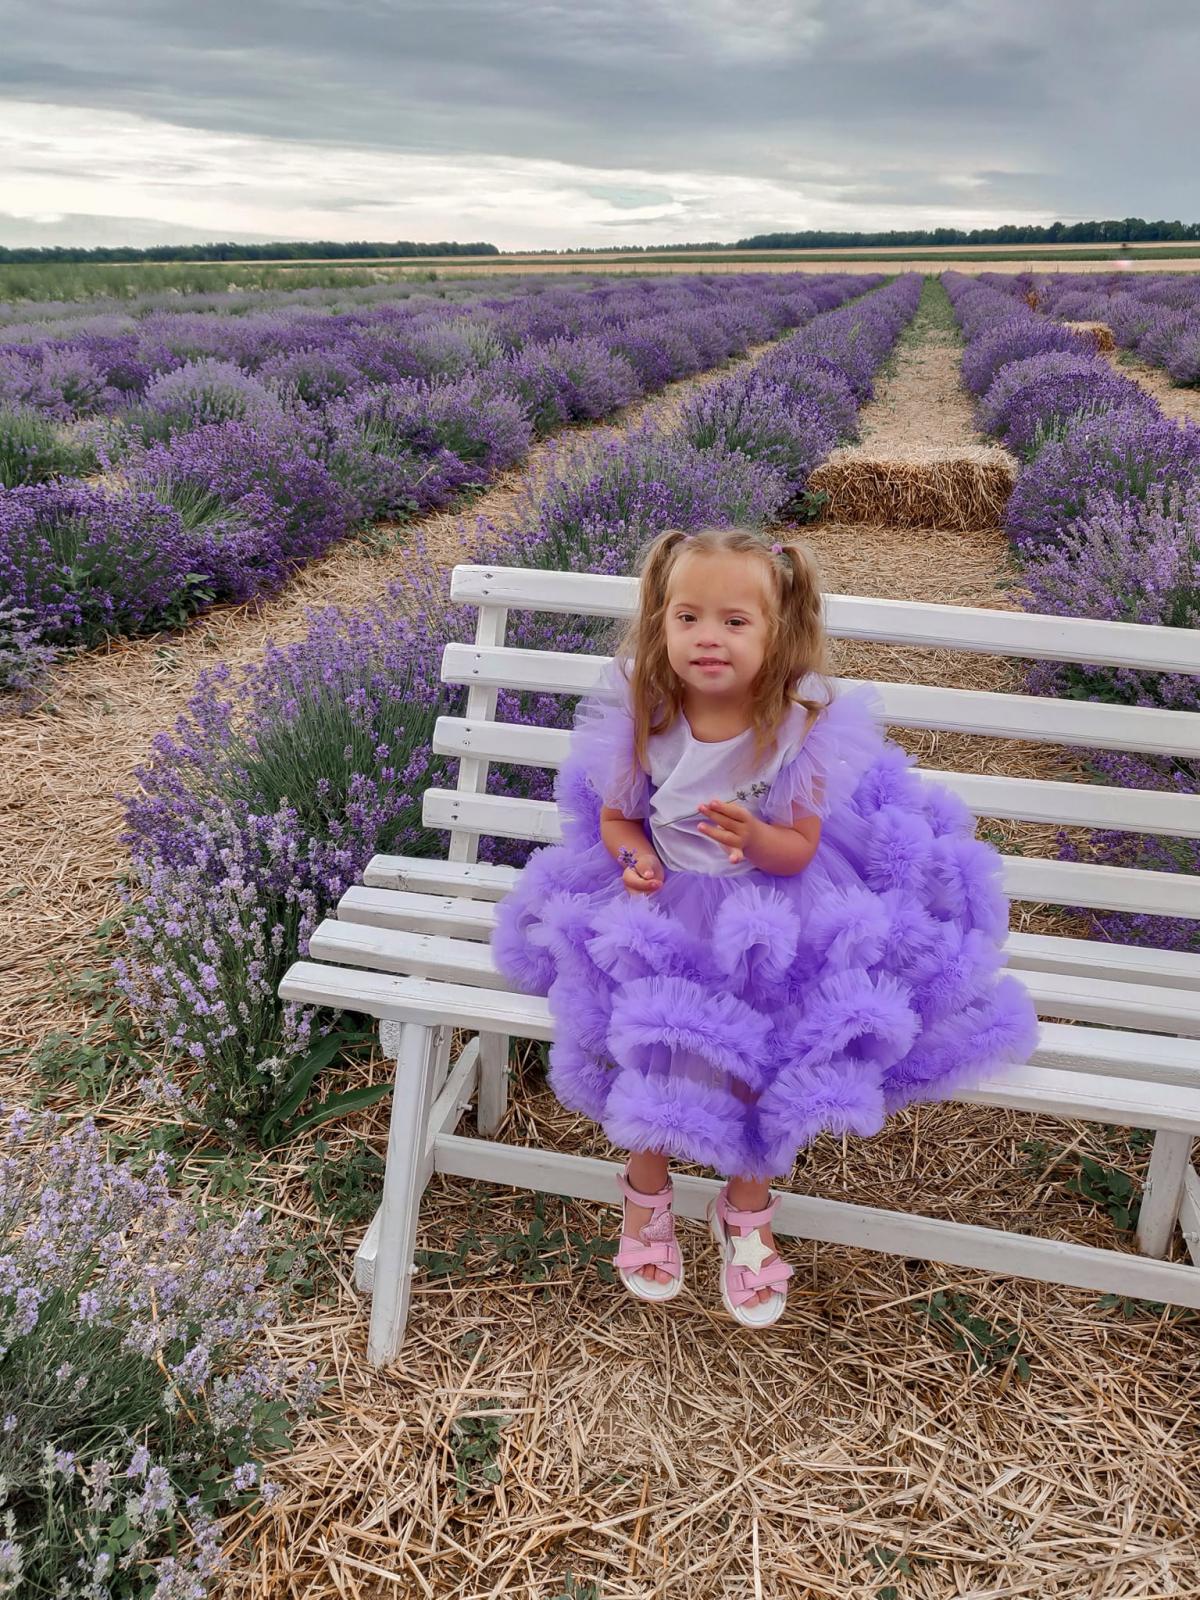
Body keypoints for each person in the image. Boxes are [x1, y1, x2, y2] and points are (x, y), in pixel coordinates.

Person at [491, 526, 1037, 1329]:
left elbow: (800, 849)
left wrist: (754, 839)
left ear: (777, 632)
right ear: (659, 621)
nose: (708, 637)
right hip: (665, 897)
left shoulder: (797, 723)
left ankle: (746, 1206)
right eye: (688, 618)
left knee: (766, 1043)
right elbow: (617, 815)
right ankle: (647, 1194)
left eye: (735, 622)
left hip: (773, 907)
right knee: (654, 1036)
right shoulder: (646, 706)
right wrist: (634, 856)